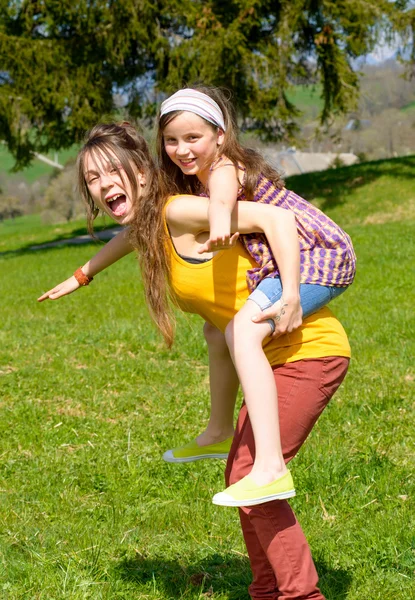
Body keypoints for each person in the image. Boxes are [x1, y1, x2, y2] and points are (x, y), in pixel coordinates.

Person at [39, 123, 350, 600]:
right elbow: (131, 239)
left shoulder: (178, 208)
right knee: (242, 474)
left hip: (308, 350)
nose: (102, 186)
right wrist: (82, 274)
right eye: (91, 179)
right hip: (274, 356)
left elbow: (275, 220)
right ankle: (266, 591)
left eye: (110, 171)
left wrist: (288, 290)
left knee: (254, 476)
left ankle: (300, 596)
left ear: (143, 170)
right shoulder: (155, 222)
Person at [155, 87, 356, 508]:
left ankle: (270, 468)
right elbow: (141, 227)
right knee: (217, 330)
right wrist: (85, 273)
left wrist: (291, 296)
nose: (181, 149)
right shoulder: (198, 178)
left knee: (244, 331)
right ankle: (218, 431)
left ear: (220, 136)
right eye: (172, 140)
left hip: (318, 254)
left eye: (193, 138)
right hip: (285, 258)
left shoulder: (225, 167)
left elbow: (227, 196)